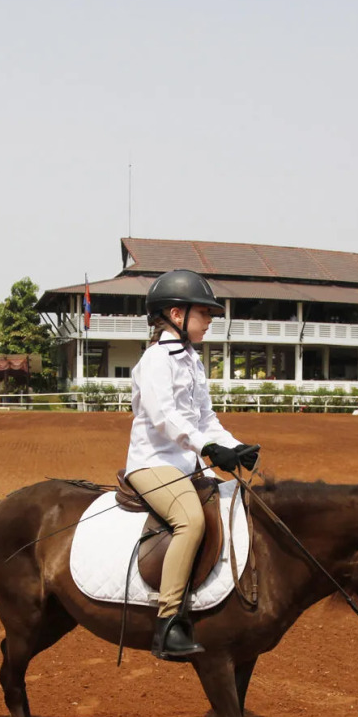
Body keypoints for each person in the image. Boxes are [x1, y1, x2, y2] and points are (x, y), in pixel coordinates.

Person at [126, 270, 260, 660]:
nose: (210, 320)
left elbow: (205, 419)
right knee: (192, 520)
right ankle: (168, 622)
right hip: (152, 464)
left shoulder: (192, 362)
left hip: (185, 466)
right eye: (204, 312)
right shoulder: (154, 361)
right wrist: (208, 448)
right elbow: (165, 417)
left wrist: (234, 446)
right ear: (176, 314)